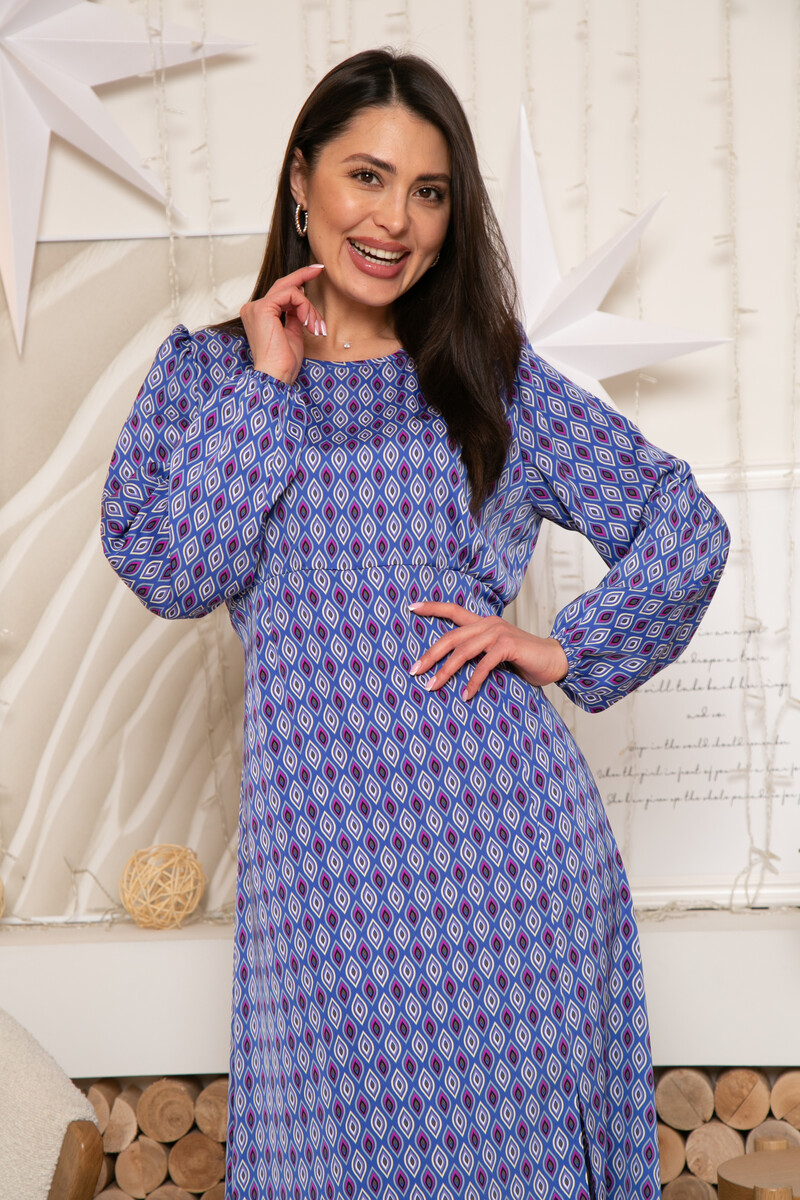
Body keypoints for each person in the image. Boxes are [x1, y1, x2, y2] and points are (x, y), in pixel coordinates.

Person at [100, 48, 729, 1200]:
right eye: (366, 176)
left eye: (427, 192)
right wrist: (269, 384)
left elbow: (680, 526)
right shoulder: (207, 378)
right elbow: (171, 570)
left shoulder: (488, 381)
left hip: (502, 871)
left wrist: (564, 648)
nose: (394, 219)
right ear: (302, 180)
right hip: (320, 884)